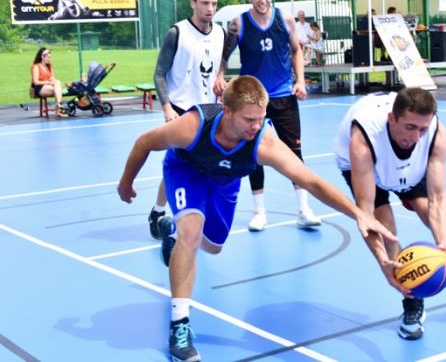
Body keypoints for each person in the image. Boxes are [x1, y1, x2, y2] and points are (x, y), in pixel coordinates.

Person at [117, 75, 398, 361]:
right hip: (186, 171)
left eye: (261, 118)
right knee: (191, 232)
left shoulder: (264, 142)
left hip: (225, 180)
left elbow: (311, 181)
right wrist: (126, 182)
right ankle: (180, 325)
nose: (256, 126)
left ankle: (171, 233)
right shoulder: (193, 126)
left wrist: (359, 214)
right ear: (226, 112)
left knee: (213, 245)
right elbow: (144, 142)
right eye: (249, 119)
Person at [334, 87, 446, 341]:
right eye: (410, 127)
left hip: (405, 166)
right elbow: (366, 214)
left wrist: (441, 243)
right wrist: (383, 264)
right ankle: (412, 301)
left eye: (422, 129)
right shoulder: (363, 140)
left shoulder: (434, 135)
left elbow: (437, 199)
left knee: (430, 211)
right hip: (366, 162)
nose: (416, 136)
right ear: (392, 119)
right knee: (384, 220)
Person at [216, 0, 322, 232]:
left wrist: (300, 81)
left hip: (284, 94)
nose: (262, 0)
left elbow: (296, 50)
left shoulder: (284, 20)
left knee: (294, 152)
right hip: (252, 100)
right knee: (254, 154)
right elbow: (224, 55)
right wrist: (220, 75)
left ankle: (303, 209)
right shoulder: (238, 24)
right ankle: (260, 211)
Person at [147, 0, 225, 240]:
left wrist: (221, 77)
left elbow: (220, 61)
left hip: (210, 109)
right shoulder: (177, 33)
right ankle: (162, 212)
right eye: (204, 3)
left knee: (200, 164)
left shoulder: (221, 34)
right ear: (193, 3)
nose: (209, 9)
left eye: (213, 4)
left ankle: (173, 212)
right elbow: (159, 73)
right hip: (181, 109)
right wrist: (167, 108)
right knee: (180, 162)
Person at [30, 47, 68, 117]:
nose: (49, 59)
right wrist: (48, 82)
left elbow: (52, 78)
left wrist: (53, 81)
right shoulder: (36, 66)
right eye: (48, 57)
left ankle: (58, 105)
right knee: (58, 90)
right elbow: (35, 82)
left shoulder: (49, 66)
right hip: (40, 88)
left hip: (49, 87)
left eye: (50, 57)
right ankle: (59, 108)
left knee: (57, 82)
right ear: (42, 57)